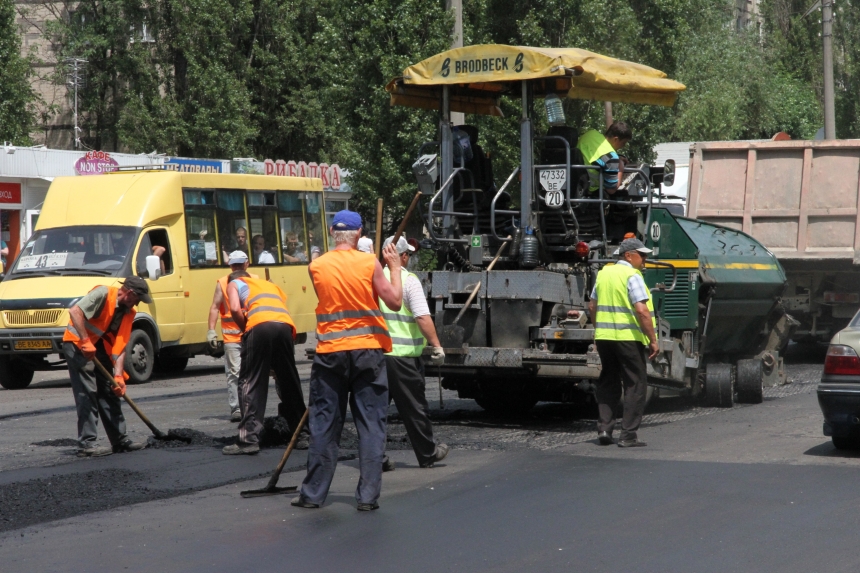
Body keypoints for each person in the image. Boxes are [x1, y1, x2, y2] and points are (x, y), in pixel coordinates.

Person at [292, 210, 402, 511]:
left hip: (330, 353)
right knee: (370, 424)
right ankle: (367, 498)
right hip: (368, 352)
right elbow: (394, 301)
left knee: (324, 423)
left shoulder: (317, 266)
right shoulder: (370, 263)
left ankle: (313, 494)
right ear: (359, 234)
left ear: (332, 232)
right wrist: (393, 267)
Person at [378, 235, 448, 471]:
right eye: (407, 254)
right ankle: (428, 453)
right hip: (403, 358)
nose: (408, 258)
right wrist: (436, 345)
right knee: (415, 408)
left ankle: (374, 457)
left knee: (375, 411)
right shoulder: (409, 281)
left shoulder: (374, 278)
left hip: (377, 356)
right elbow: (422, 317)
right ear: (401, 256)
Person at [62, 277, 152, 457]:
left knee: (110, 391)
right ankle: (86, 445)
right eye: (137, 299)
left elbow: (120, 346)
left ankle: (120, 440)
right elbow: (75, 312)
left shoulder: (128, 313)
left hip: (99, 348)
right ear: (130, 293)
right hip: (77, 344)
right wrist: (85, 341)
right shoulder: (103, 294)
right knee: (88, 393)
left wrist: (118, 376)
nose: (137, 303)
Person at [221, 270, 307, 454]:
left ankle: (248, 439)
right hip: (285, 327)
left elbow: (235, 308)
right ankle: (302, 435)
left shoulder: (234, 283)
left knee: (250, 382)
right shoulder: (268, 285)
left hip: (259, 326)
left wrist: (246, 330)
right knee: (288, 381)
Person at [587, 237, 659, 448]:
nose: (644, 260)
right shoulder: (632, 275)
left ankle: (604, 430)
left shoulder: (604, 273)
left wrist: (598, 328)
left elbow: (592, 306)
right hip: (628, 338)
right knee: (635, 384)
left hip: (605, 338)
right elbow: (642, 311)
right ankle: (628, 435)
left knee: (608, 381)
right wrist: (653, 340)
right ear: (628, 255)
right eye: (642, 255)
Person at [207, 250, 256, 422]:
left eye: (239, 265)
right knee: (235, 372)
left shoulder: (255, 280)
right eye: (234, 265)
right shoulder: (222, 283)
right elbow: (215, 307)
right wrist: (211, 330)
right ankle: (236, 408)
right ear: (230, 265)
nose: (236, 267)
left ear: (246, 264)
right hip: (232, 337)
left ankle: (251, 406)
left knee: (253, 372)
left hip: (252, 333)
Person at [576, 121, 632, 195]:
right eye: (623, 143)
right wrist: (620, 166)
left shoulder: (591, 133)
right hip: (591, 191)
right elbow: (611, 190)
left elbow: (594, 153)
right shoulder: (611, 157)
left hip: (576, 184)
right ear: (615, 139)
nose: (623, 146)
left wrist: (616, 158)